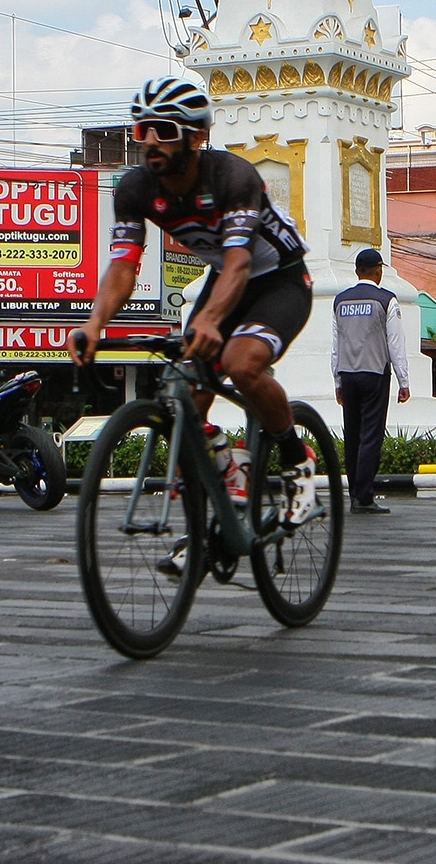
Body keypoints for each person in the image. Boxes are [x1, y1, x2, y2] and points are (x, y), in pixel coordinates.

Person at [71, 77, 320, 550]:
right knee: (185, 401)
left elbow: (241, 261)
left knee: (242, 363)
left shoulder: (232, 177)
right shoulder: (135, 188)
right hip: (223, 281)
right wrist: (94, 323)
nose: (148, 142)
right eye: (141, 129)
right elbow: (124, 265)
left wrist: (208, 321)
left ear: (195, 136)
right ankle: (209, 518)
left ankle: (297, 457)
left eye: (163, 131)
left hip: (278, 281)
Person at [331, 247, 409, 514]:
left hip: (348, 375)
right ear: (378, 270)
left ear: (356, 271)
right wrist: (404, 380)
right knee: (371, 435)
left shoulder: (339, 301)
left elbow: (335, 345)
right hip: (375, 373)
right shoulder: (387, 299)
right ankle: (363, 497)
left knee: (352, 434)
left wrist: (337, 381)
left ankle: (354, 492)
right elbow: (395, 343)